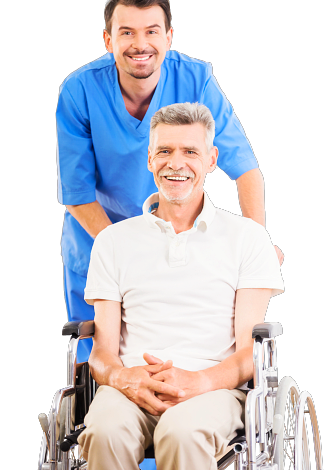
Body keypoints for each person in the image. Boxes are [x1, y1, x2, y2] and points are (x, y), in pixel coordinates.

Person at [55, 0, 283, 364]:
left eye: (151, 32)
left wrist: (256, 246)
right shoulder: (79, 90)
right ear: (108, 40)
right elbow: (77, 194)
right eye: (126, 32)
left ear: (169, 37)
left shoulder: (195, 80)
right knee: (97, 362)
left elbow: (245, 170)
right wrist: (126, 250)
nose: (140, 44)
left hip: (176, 239)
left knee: (185, 349)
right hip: (99, 238)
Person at [74, 102, 283, 469]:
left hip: (214, 388)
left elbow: (249, 352)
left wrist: (199, 381)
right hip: (131, 387)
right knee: (104, 431)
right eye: (165, 151)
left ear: (211, 159)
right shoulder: (112, 241)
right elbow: (102, 353)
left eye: (190, 151)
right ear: (150, 159)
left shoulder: (248, 238)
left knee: (180, 432)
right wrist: (125, 378)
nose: (176, 163)